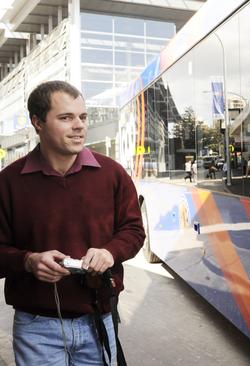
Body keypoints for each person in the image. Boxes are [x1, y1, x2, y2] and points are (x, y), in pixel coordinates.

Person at [0, 80, 146, 366]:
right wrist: (28, 261)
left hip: (99, 321)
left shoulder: (112, 174)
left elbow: (133, 231)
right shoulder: (8, 182)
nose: (79, 125)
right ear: (37, 122)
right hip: (37, 328)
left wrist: (109, 252)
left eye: (83, 116)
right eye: (66, 117)